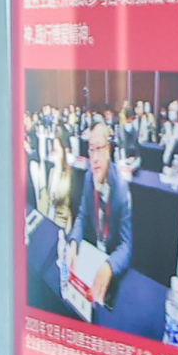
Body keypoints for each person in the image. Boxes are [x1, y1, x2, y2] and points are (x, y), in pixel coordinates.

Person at [62, 120, 133, 315]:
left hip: (111, 262)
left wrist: (110, 266)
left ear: (108, 150)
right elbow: (82, 215)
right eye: (91, 150)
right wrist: (73, 242)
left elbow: (127, 246)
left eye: (99, 149)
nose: (94, 158)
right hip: (93, 256)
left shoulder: (121, 190)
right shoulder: (88, 178)